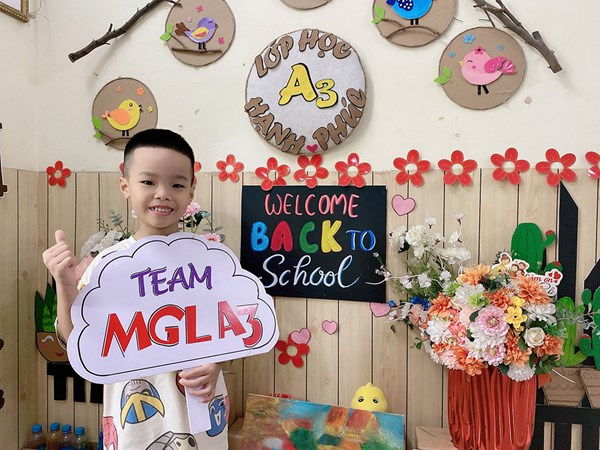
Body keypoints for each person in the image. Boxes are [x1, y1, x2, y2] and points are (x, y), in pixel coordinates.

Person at [42, 129, 229, 450]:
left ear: (191, 190)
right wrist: (64, 283)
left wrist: (216, 365)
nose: (163, 194)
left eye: (177, 184)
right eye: (148, 182)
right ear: (125, 185)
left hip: (199, 408)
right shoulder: (107, 264)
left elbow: (233, 329)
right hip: (133, 419)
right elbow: (77, 342)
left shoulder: (210, 260)